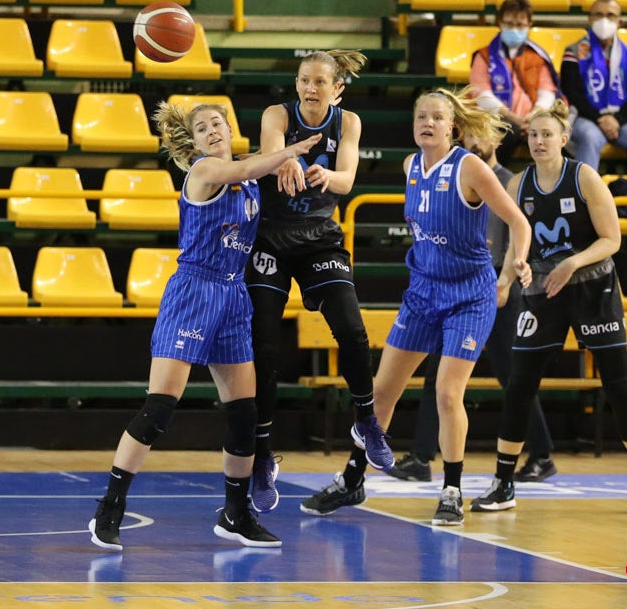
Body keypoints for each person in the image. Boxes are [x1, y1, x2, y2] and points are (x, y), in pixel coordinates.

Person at [88, 103, 321, 552]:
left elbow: (257, 162)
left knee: (244, 414)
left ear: (229, 129)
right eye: (202, 128)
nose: (211, 131)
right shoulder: (205, 171)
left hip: (233, 295)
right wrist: (289, 153)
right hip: (194, 291)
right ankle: (109, 508)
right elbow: (251, 165)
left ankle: (235, 514)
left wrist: (289, 162)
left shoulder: (248, 171)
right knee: (159, 408)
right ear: (194, 142)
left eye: (217, 123)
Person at [300, 86, 533, 526]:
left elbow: (518, 222)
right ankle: (352, 479)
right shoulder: (410, 166)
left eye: (437, 117)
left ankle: (452, 490)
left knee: (447, 393)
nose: (427, 123)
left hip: (469, 295)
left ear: (453, 128)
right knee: (380, 393)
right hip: (423, 292)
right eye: (421, 116)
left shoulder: (470, 167)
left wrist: (516, 262)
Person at [471, 101, 627, 514]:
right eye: (533, 135)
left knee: (618, 385)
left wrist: (572, 262)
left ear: (564, 139)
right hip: (543, 291)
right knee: (519, 386)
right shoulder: (519, 184)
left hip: (592, 287)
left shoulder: (584, 177)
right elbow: (515, 242)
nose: (539, 141)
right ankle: (503, 483)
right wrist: (506, 279)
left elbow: (611, 239)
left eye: (547, 135)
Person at [245, 50, 393, 515]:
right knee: (265, 348)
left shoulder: (348, 123)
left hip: (318, 238)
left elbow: (346, 180)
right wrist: (284, 159)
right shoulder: (276, 115)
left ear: (337, 88)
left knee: (351, 328)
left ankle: (366, 421)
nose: (311, 88)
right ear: (296, 84)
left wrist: (327, 173)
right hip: (271, 239)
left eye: (320, 82)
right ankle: (262, 455)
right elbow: (269, 152)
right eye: (305, 80)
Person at [387, 128, 557, 484]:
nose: (475, 142)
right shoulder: (453, 169)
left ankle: (541, 452)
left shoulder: (505, 179)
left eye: (483, 136)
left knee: (512, 374)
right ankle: (421, 455)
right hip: (453, 285)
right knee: (438, 378)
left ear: (497, 141)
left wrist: (506, 279)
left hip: (494, 283)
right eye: (471, 136)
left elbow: (517, 229)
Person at [561, 0, 627, 176]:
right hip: (585, 117)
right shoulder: (573, 51)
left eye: (610, 15)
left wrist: (617, 120)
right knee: (590, 137)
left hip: (621, 119)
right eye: (598, 15)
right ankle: (583, 192)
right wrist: (600, 119)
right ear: (590, 19)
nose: (604, 20)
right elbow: (572, 93)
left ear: (619, 22)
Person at [470, 0, 563, 165]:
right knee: (508, 130)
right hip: (497, 119)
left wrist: (533, 118)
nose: (514, 29)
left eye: (520, 25)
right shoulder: (484, 56)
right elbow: (482, 96)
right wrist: (514, 118)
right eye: (509, 24)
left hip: (533, 119)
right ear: (499, 23)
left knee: (555, 132)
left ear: (529, 25)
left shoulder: (538, 57)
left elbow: (547, 93)